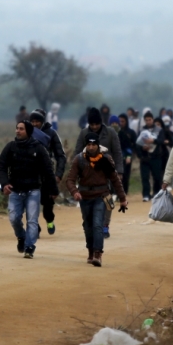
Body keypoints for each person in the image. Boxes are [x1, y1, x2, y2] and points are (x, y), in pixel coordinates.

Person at [0, 121, 58, 259]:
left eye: (21, 129)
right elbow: (1, 165)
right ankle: (21, 236)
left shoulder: (38, 148)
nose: (17, 131)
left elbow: (48, 170)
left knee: (32, 221)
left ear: (28, 132)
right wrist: (4, 183)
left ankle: (30, 247)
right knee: (13, 218)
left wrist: (53, 190)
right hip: (15, 190)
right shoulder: (11, 147)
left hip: (33, 190)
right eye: (17, 128)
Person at [66, 132, 128, 266]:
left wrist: (122, 198)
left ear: (98, 145)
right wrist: (75, 192)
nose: (91, 147)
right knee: (88, 226)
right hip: (84, 197)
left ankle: (98, 254)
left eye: (94, 144)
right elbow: (70, 180)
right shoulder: (79, 159)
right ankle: (90, 251)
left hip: (101, 196)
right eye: (89, 144)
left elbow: (115, 180)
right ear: (86, 145)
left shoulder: (106, 159)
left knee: (97, 225)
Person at [74, 108, 123, 238]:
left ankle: (105, 225)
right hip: (88, 172)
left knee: (108, 199)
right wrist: (76, 171)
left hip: (107, 171)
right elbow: (77, 153)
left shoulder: (111, 133)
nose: (94, 127)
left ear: (101, 122)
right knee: (89, 200)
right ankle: (91, 224)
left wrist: (119, 171)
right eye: (92, 124)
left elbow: (117, 153)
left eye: (97, 124)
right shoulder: (83, 133)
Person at [30, 109, 67, 235]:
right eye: (32, 121)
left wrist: (58, 174)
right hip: (31, 174)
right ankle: (35, 228)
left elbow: (60, 156)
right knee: (31, 204)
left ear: (42, 122)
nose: (34, 124)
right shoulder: (26, 133)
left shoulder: (51, 134)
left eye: (37, 121)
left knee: (47, 205)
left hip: (47, 174)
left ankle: (49, 220)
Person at [136, 111, 164, 202]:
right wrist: (142, 150)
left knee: (157, 177)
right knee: (145, 177)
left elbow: (161, 141)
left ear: (153, 120)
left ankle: (156, 193)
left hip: (156, 157)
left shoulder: (159, 130)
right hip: (145, 157)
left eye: (150, 120)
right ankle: (146, 194)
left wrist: (153, 141)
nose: (148, 121)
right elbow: (137, 144)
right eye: (146, 120)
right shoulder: (142, 130)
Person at [117, 113, 137, 194]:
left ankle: (125, 191)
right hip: (117, 157)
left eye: (123, 121)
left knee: (125, 174)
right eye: (119, 121)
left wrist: (131, 155)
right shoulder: (115, 132)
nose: (121, 123)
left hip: (127, 156)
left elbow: (133, 144)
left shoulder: (131, 132)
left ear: (126, 122)